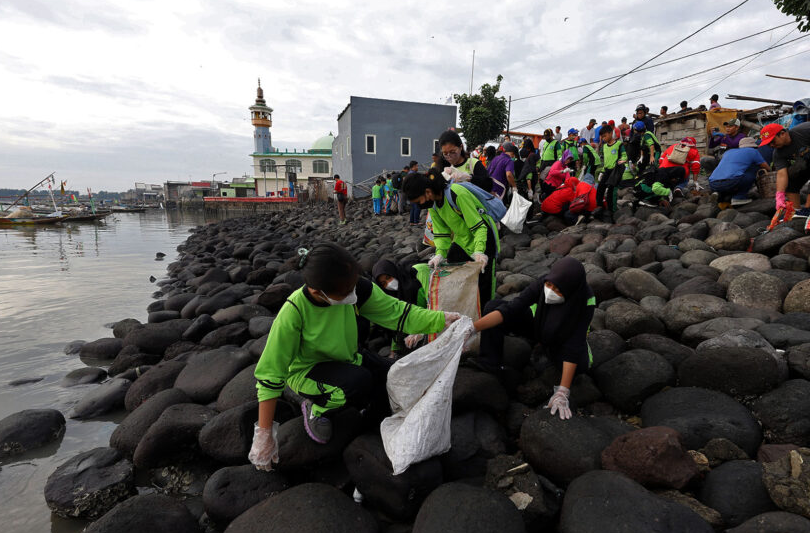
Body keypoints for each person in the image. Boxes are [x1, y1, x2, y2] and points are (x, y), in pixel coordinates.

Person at [249, 243, 459, 459]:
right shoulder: (294, 312)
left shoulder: (357, 288)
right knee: (358, 382)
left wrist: (442, 319)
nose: (353, 293)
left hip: (348, 357)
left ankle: (367, 426)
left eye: (353, 284)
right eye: (345, 291)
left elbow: (397, 313)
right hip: (307, 370)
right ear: (317, 292)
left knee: (396, 376)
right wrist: (264, 434)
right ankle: (316, 409)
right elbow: (270, 374)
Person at [468, 257, 595, 420]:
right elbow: (513, 307)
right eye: (549, 286)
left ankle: (553, 350)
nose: (550, 290)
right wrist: (472, 328)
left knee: (580, 366)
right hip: (540, 326)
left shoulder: (585, 300)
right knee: (493, 306)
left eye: (557, 290)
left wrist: (563, 391)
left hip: (563, 337)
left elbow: (574, 343)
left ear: (570, 290)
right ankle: (490, 362)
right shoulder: (546, 281)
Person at [403, 169, 500, 307]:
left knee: (484, 288)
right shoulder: (434, 206)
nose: (419, 205)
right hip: (462, 241)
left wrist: (479, 251)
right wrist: (440, 254)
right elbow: (441, 234)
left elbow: (479, 227)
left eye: (419, 201)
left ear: (428, 192)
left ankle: (485, 319)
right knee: (458, 279)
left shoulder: (456, 193)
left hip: (484, 239)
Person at [371, 258, 431, 358]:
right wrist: (394, 350)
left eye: (388, 277)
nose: (389, 284)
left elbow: (435, 304)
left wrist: (423, 331)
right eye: (383, 283)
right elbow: (396, 322)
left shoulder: (415, 280)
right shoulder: (391, 297)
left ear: (393, 272)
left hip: (433, 318)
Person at [709, 137, 771, 205]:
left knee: (731, 175)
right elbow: (766, 167)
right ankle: (739, 197)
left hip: (712, 183)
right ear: (754, 146)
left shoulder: (728, 152)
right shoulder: (753, 151)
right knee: (751, 172)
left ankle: (718, 193)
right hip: (730, 182)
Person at [595, 123, 626, 221]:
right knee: (600, 189)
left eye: (605, 136)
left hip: (615, 171)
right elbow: (605, 160)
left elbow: (624, 155)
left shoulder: (619, 144)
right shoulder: (604, 146)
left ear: (611, 133)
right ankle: (600, 208)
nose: (603, 138)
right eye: (602, 137)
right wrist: (602, 171)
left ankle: (612, 212)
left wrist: (622, 161)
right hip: (607, 170)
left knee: (611, 193)